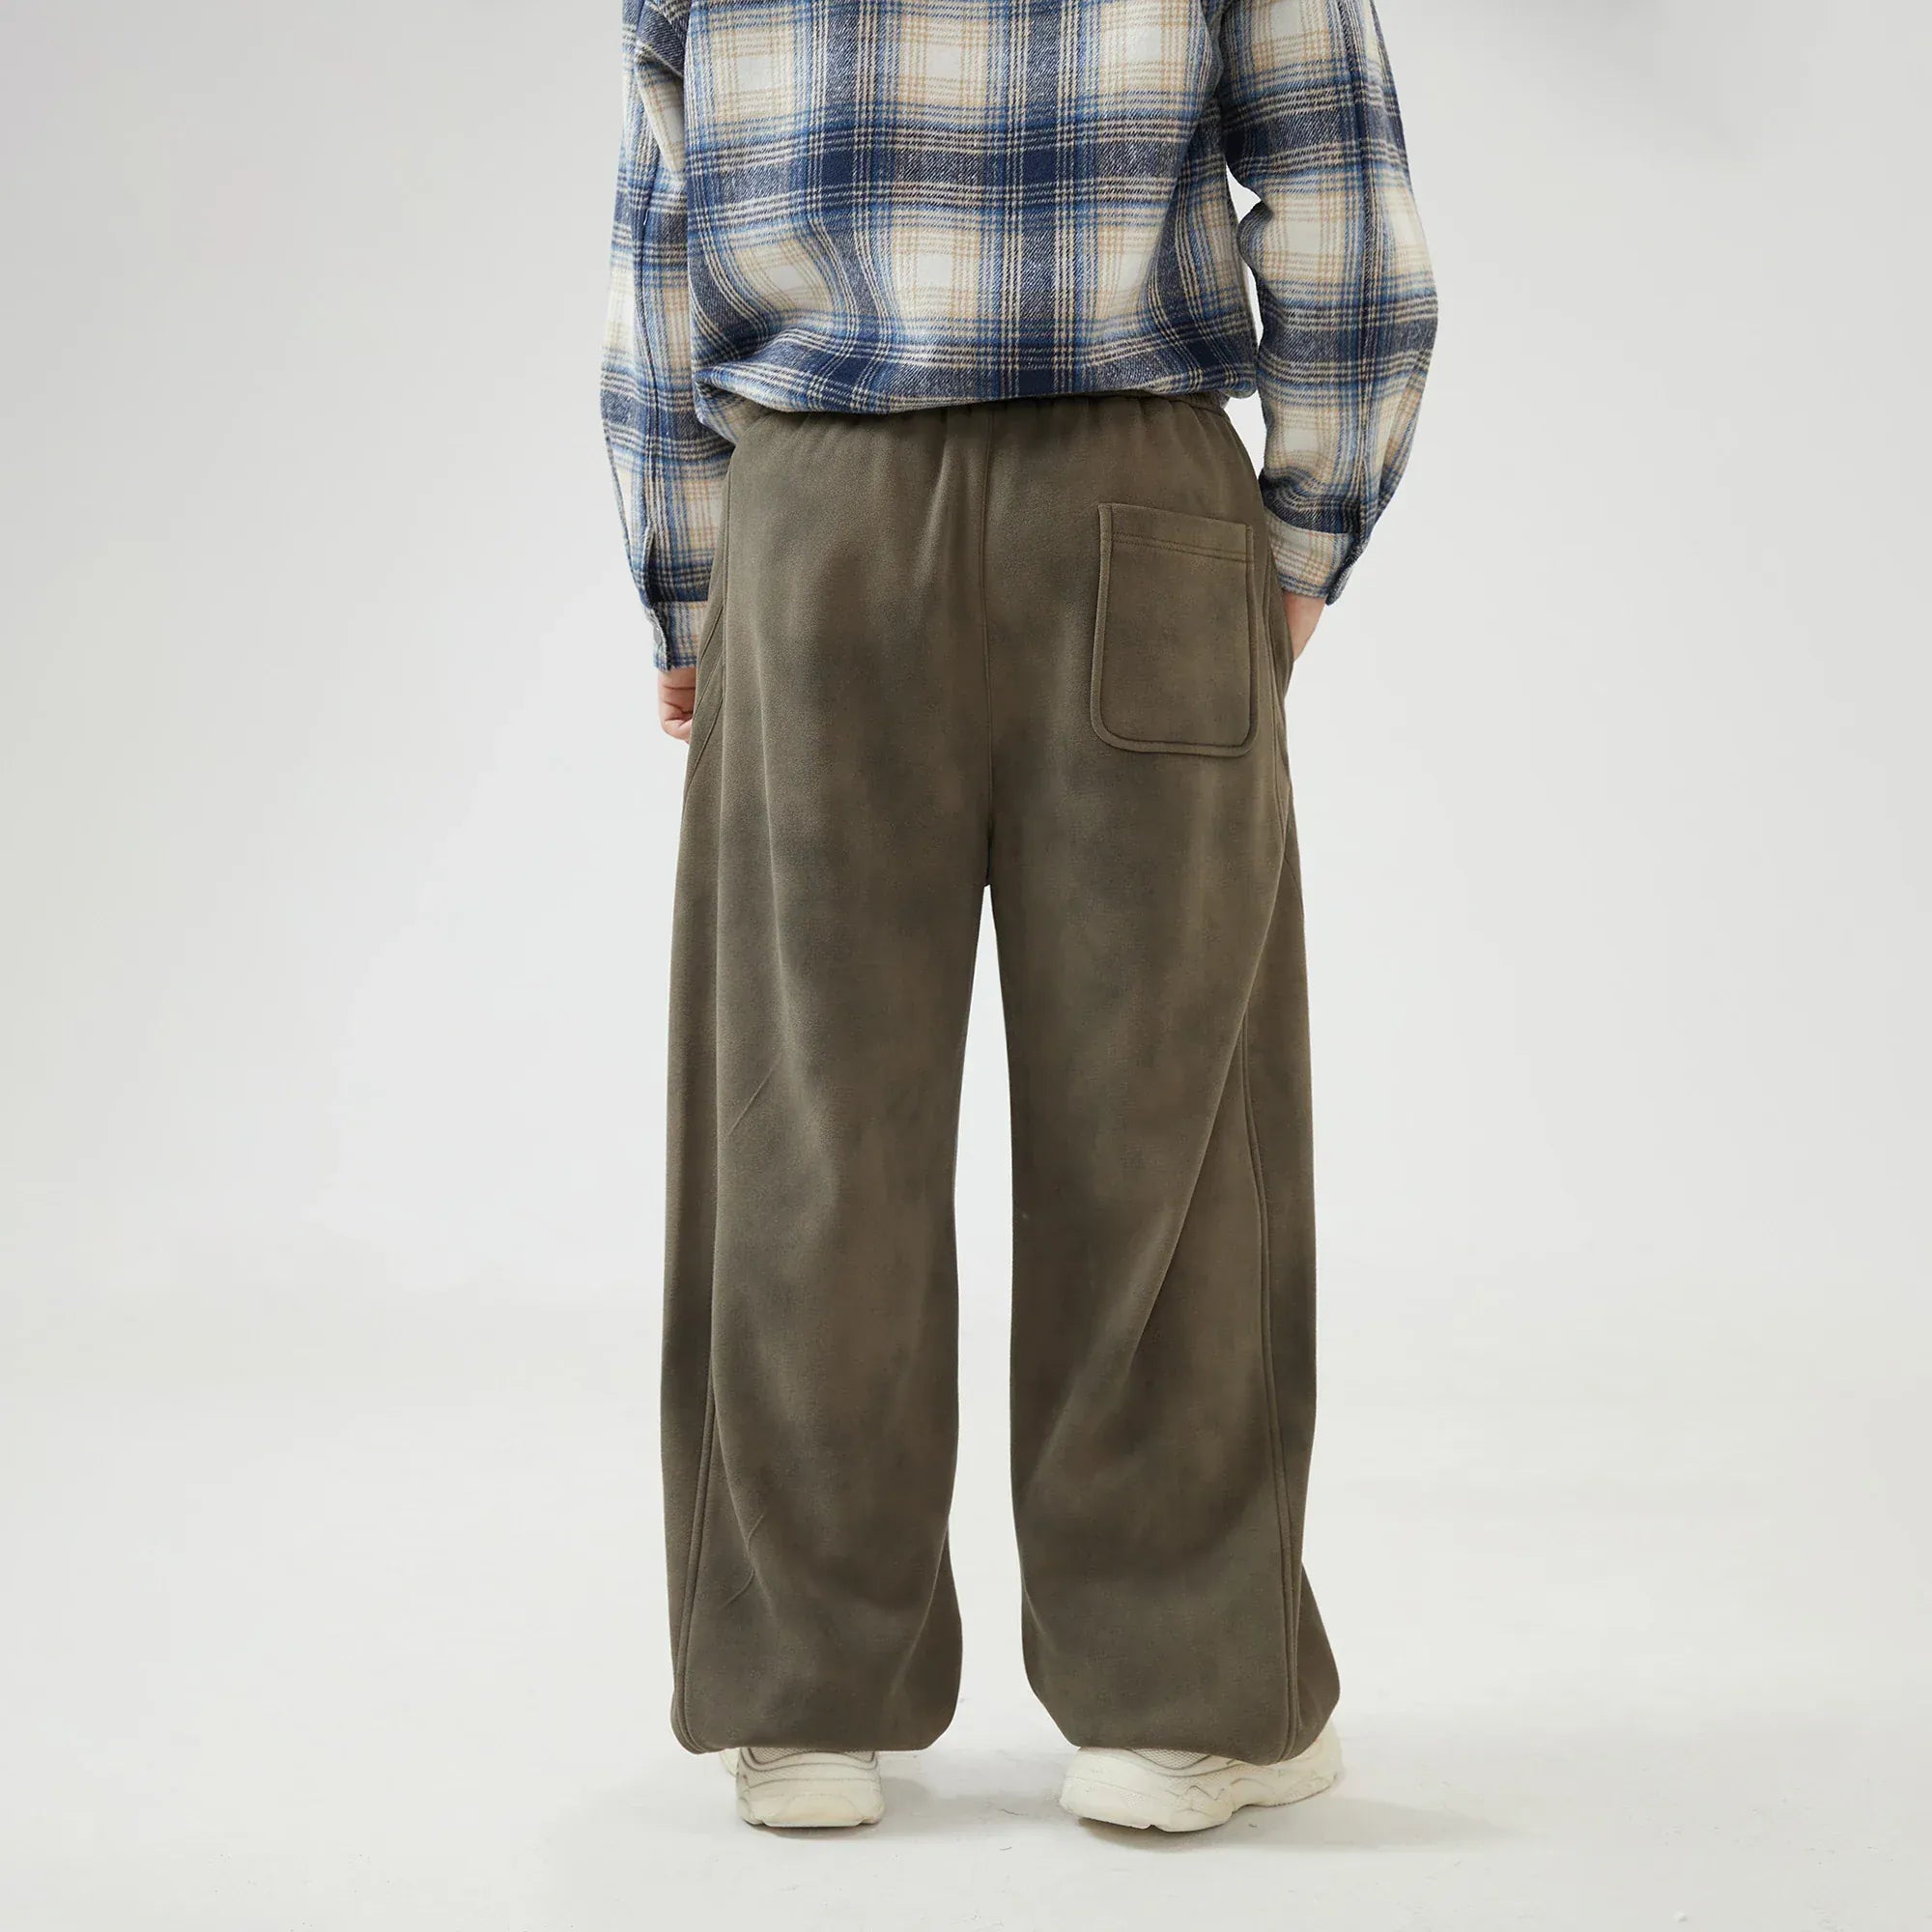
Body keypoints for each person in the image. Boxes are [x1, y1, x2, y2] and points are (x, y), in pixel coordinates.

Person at [599, 0, 1435, 1833]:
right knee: (1169, 1134)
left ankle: (804, 1703)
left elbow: (663, 236)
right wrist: (1305, 532)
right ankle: (1180, 1703)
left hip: (815, 521)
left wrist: (692, 581)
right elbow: (1342, 197)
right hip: (1136, 501)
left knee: (808, 1125)